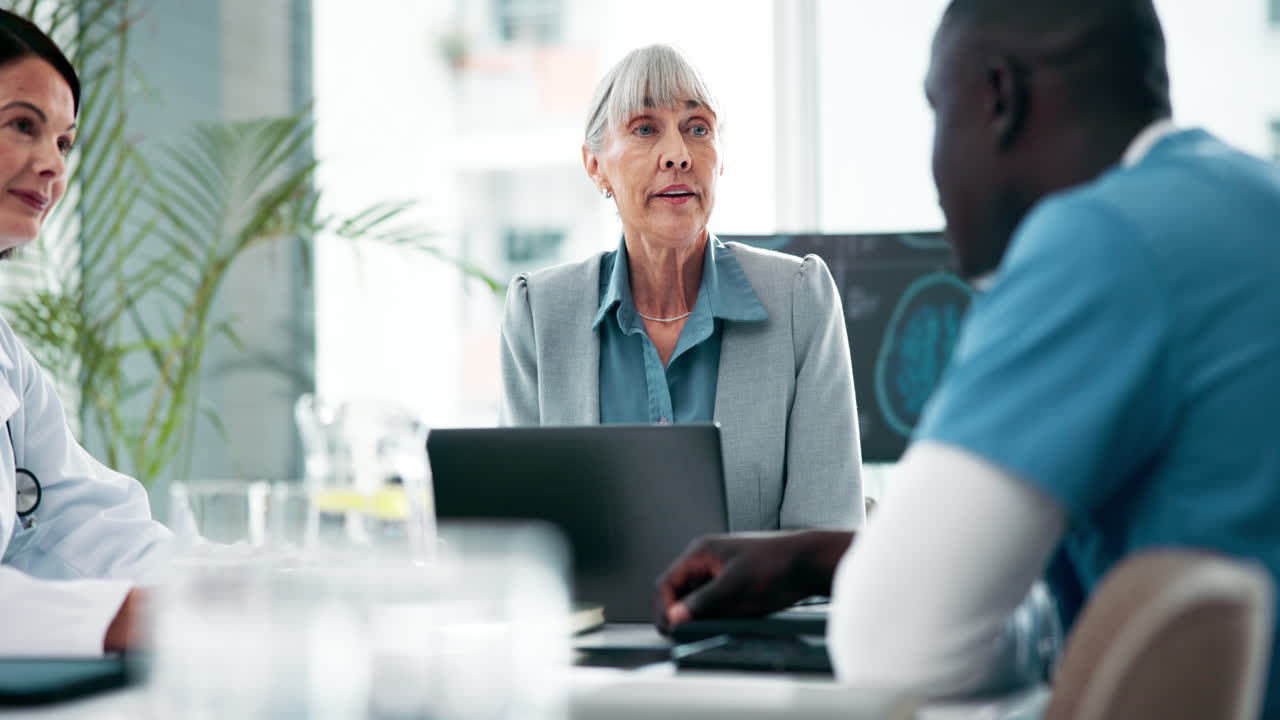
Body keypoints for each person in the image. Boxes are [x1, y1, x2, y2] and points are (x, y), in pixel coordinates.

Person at [656, 0, 1280, 710]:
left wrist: (873, 585)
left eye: (936, 110)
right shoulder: (1248, 201)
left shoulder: (1098, 244)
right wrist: (820, 558)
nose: (932, 169)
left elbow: (890, 647)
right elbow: (1060, 616)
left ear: (998, 98)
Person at [499, 44, 864, 531]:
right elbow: (522, 539)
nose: (678, 155)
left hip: (752, 611)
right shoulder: (538, 313)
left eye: (698, 129)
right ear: (595, 165)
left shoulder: (800, 300)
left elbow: (826, 535)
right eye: (645, 129)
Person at [0, 10, 169, 656]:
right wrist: (118, 617)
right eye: (24, 126)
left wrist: (255, 579)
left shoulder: (6, 356)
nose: (53, 166)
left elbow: (85, 522)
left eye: (65, 143)